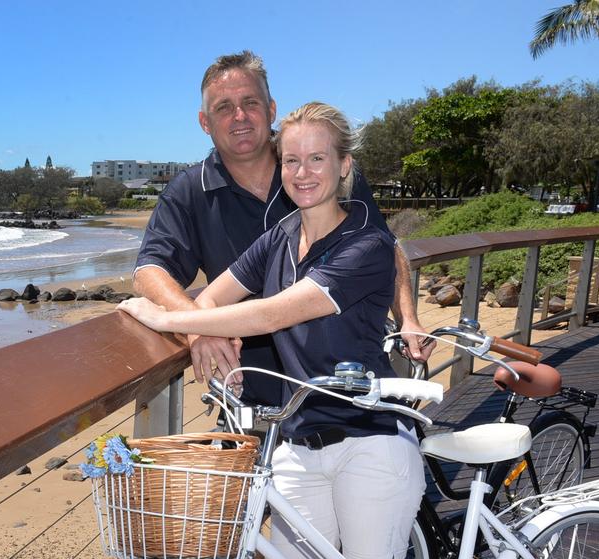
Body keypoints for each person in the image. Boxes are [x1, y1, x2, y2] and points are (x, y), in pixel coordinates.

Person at [119, 101, 427, 559]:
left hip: (370, 441)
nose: (303, 171)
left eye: (318, 158)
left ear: (344, 167)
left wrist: (169, 318)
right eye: (292, 159)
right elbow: (217, 297)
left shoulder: (366, 242)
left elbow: (276, 312)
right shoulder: (279, 237)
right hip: (298, 440)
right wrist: (200, 331)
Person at [134, 50, 432, 412]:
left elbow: (386, 245)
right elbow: (150, 270)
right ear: (204, 121)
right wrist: (199, 328)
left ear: (271, 109)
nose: (239, 116)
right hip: (248, 389)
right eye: (223, 107)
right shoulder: (188, 191)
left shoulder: (322, 174)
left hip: (347, 388)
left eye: (250, 102)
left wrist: (409, 318)